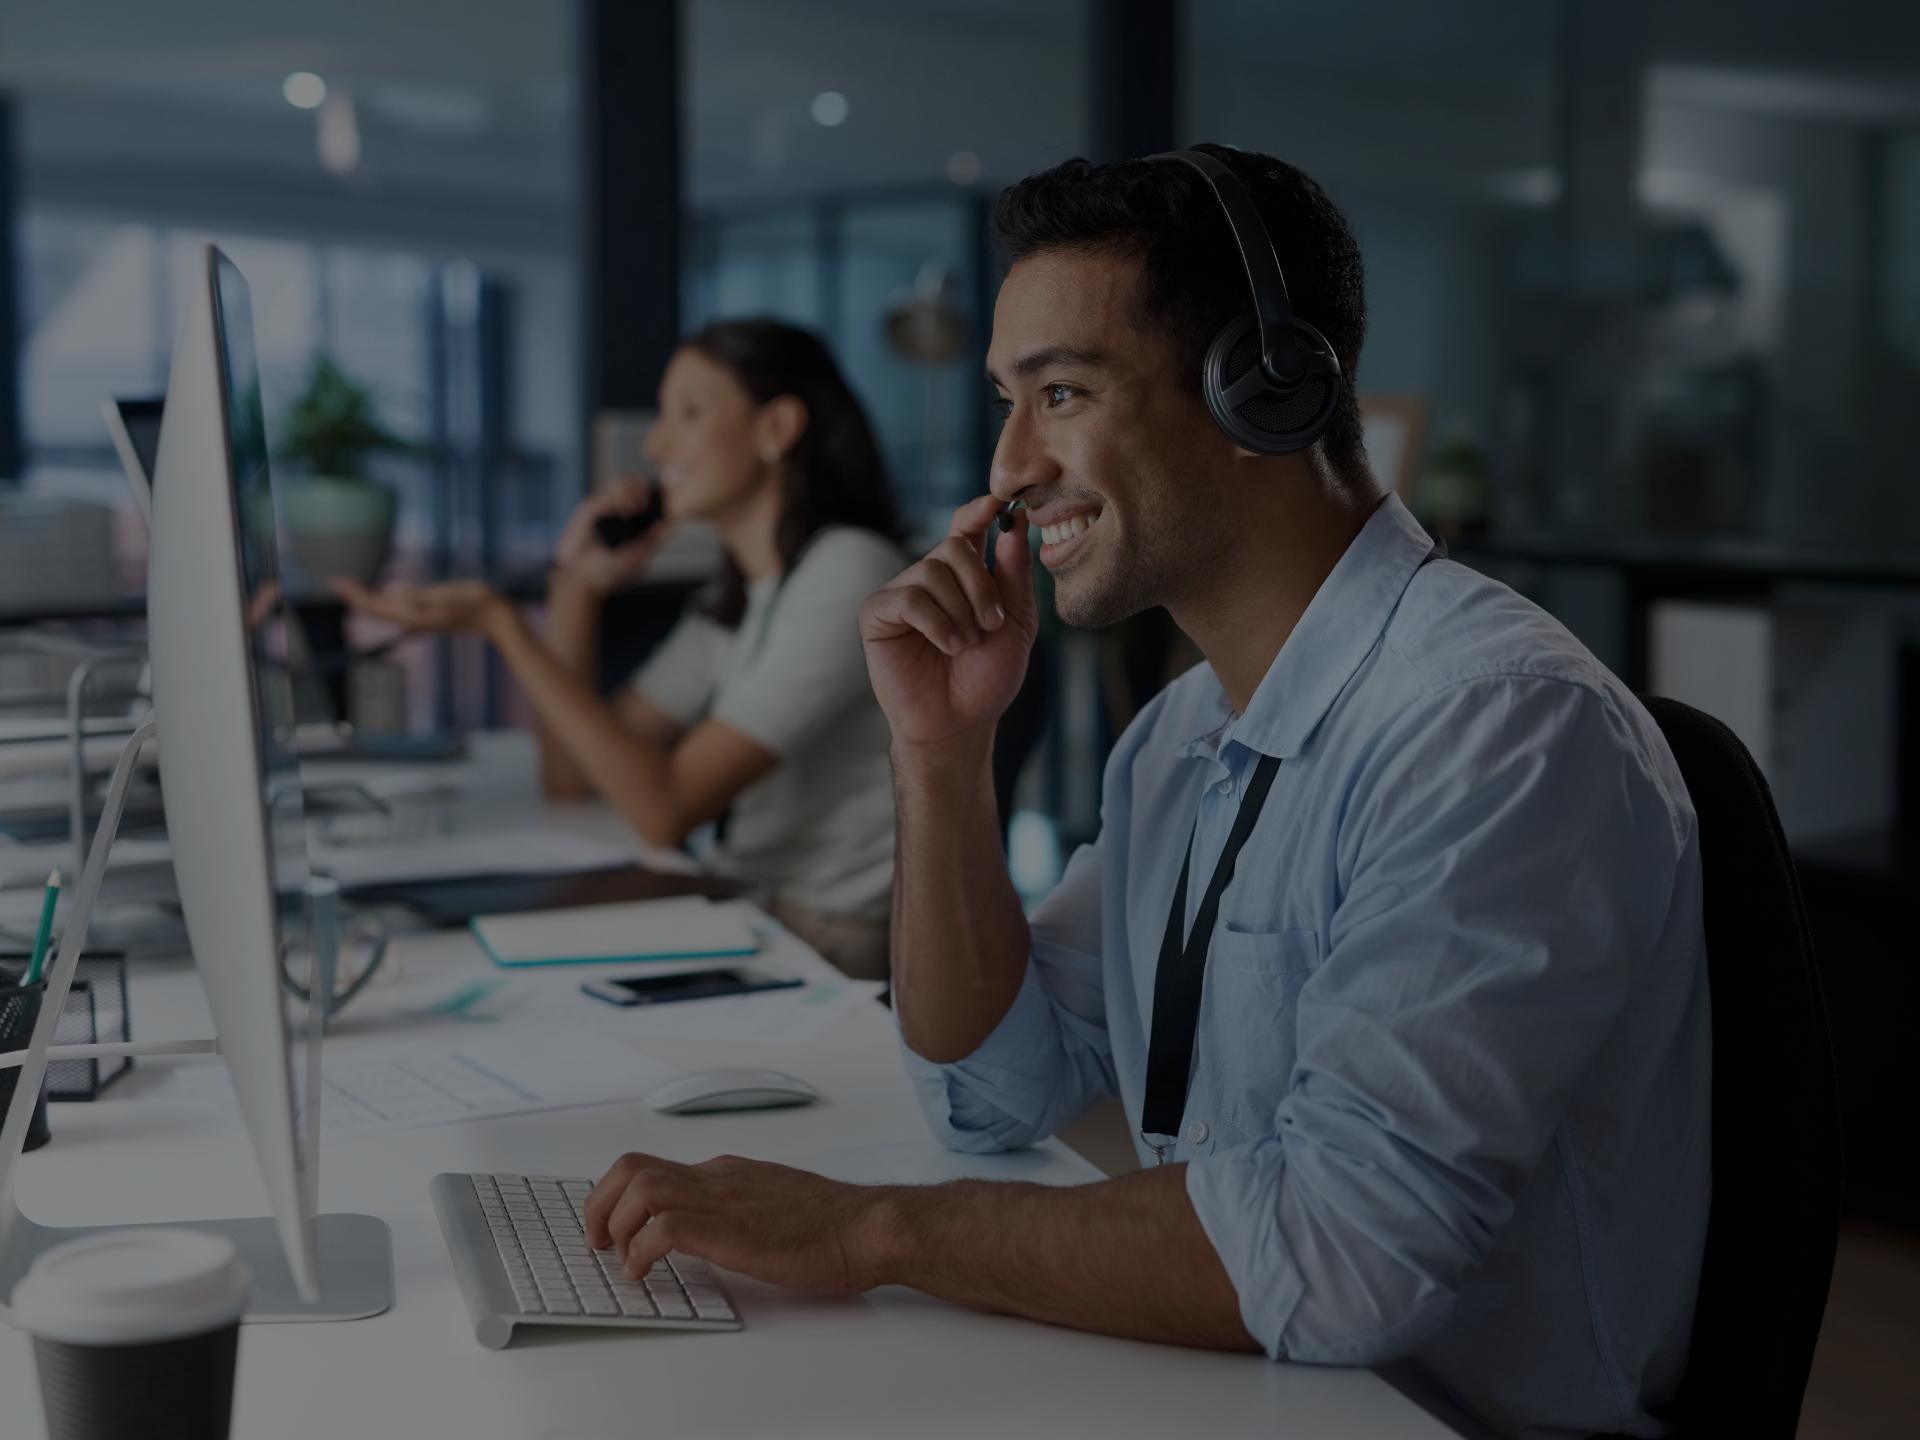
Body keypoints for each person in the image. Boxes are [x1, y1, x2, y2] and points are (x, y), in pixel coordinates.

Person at [582, 147, 1710, 1439]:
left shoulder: (1493, 727)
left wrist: (870, 1229)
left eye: (1061, 392)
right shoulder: (1182, 734)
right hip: (1228, 1381)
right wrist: (942, 758)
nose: (1007, 464)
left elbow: (1344, 1257)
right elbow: (991, 1091)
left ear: (1263, 396)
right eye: (1007, 400)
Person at [336, 319, 906, 978]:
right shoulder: (742, 591)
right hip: (754, 909)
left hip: (828, 940)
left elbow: (662, 807)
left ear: (775, 428)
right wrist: (577, 591)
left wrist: (504, 624)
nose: (659, 445)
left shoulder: (848, 574)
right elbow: (574, 779)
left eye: (688, 413)